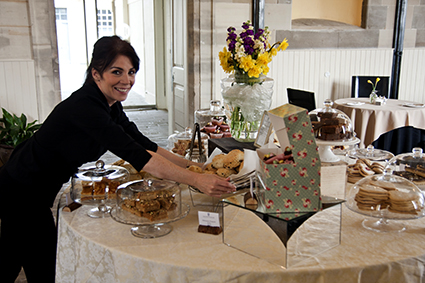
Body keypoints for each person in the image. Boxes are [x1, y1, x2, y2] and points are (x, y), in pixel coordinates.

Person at [0, 35, 235, 282]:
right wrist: (196, 181)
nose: (127, 80)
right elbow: (140, 157)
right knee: (45, 268)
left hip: (31, 187)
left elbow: (145, 144)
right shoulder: (86, 107)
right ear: (96, 74)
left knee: (10, 258)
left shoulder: (109, 104)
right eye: (117, 72)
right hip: (21, 189)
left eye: (131, 72)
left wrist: (195, 166)